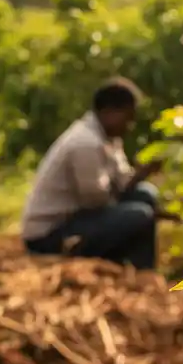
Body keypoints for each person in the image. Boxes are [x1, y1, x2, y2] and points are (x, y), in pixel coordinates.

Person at [21, 76, 168, 270]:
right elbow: (95, 201)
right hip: (49, 235)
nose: (130, 125)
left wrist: (141, 174)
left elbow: (122, 182)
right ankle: (139, 273)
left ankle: (140, 268)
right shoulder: (85, 143)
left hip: (77, 218)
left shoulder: (109, 138)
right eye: (127, 117)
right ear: (109, 112)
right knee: (140, 215)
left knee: (145, 194)